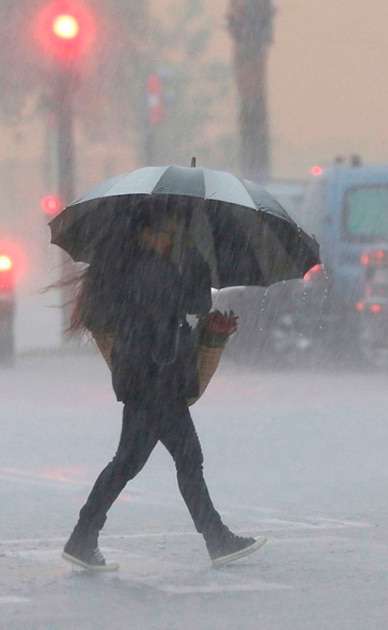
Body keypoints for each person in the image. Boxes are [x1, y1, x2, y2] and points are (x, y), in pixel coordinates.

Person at [61, 202, 267, 571]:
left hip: (148, 379)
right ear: (148, 234)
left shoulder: (134, 267)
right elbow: (192, 303)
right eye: (168, 234)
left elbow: (181, 310)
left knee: (131, 463)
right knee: (182, 461)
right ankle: (216, 538)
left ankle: (83, 536)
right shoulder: (150, 270)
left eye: (175, 234)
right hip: (156, 381)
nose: (171, 240)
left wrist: (186, 262)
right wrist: (192, 261)